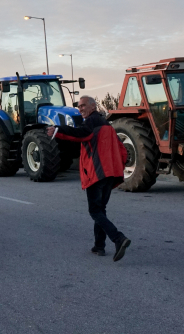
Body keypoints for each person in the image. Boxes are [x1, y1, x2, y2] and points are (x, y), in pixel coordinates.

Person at [46, 95, 131, 261]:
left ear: (93, 106)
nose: (81, 109)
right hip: (110, 174)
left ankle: (118, 238)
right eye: (79, 106)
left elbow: (81, 134)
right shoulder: (107, 124)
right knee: (101, 210)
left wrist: (58, 130)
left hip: (96, 173)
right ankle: (99, 246)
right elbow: (123, 151)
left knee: (95, 211)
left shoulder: (91, 122)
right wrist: (117, 167)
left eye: (83, 105)